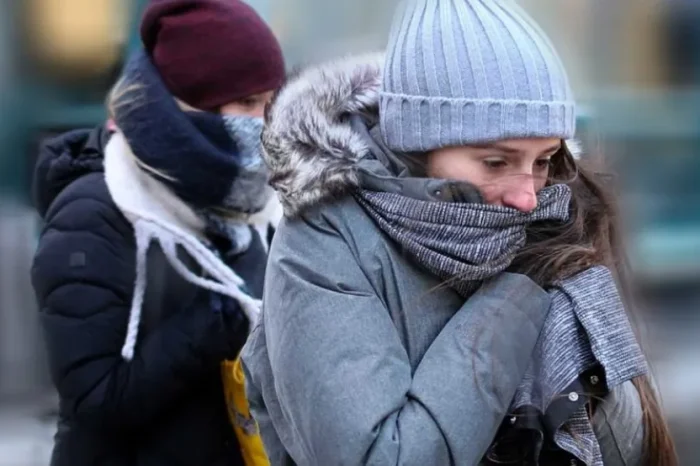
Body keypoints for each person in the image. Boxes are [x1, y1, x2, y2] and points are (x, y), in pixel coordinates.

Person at [241, 1, 677, 465]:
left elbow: (633, 448)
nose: (527, 197)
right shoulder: (323, 242)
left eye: (544, 161)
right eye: (496, 162)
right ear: (418, 144)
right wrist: (513, 301)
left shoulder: (549, 226)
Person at [30, 1, 285, 465]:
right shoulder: (93, 214)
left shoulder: (259, 209)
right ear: (191, 104)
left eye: (272, 103)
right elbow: (95, 400)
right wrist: (217, 322)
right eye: (249, 103)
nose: (264, 123)